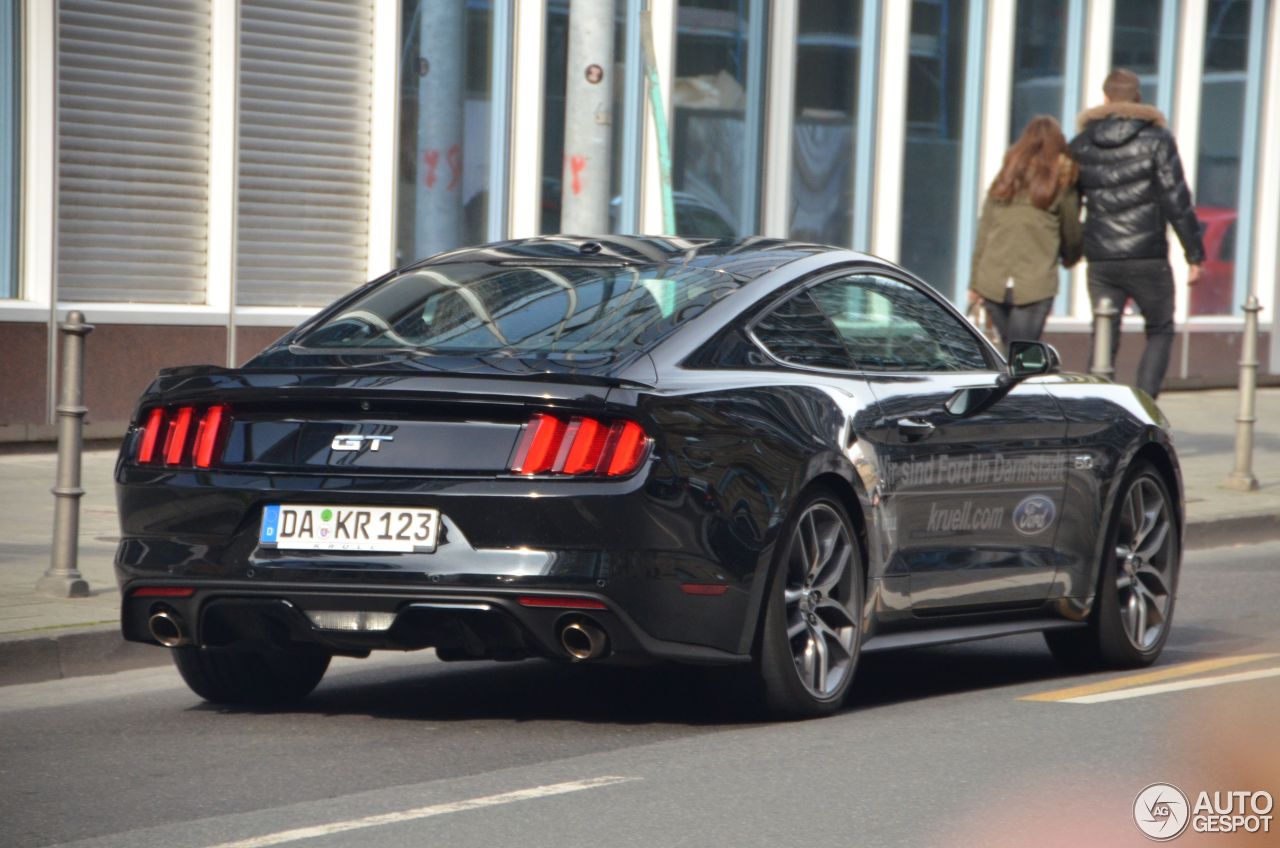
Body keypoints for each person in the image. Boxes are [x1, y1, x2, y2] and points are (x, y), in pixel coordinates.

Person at [1070, 68, 1204, 398]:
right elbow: (1176, 197)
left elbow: (1069, 204)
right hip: (1148, 255)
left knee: (1104, 331)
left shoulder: (1081, 143)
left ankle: (1097, 406)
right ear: (1138, 98)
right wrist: (1194, 254)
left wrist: (1070, 251)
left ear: (1105, 98)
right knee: (1159, 329)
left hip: (1101, 256)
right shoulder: (1158, 139)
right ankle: (1145, 408)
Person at [969, 116, 1083, 352]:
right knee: (1021, 355)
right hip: (1035, 281)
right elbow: (1071, 230)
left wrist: (975, 282)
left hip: (993, 279)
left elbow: (985, 230)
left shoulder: (1005, 179)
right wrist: (1071, 256)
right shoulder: (1061, 181)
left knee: (1011, 351)